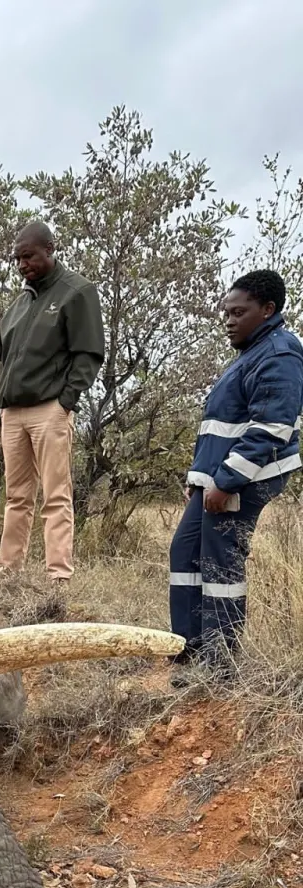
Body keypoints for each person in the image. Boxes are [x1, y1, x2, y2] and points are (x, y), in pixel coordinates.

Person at [169, 270, 303, 676]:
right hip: (215, 480)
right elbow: (224, 428)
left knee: (221, 565)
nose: (229, 320)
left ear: (268, 310)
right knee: (185, 552)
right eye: (226, 312)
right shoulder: (251, 351)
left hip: (244, 480)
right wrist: (201, 479)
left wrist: (226, 481)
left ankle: (219, 664)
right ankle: (189, 649)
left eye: (238, 312)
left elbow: (271, 429)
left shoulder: (280, 353)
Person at [0, 220, 105, 586]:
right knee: (16, 498)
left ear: (50, 249)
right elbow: (4, 367)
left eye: (29, 256)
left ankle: (58, 579)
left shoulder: (77, 292)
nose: (23, 265)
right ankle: (8, 574)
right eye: (17, 259)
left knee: (56, 496)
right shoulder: (17, 307)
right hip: (12, 414)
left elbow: (89, 354)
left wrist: (65, 402)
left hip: (49, 409)